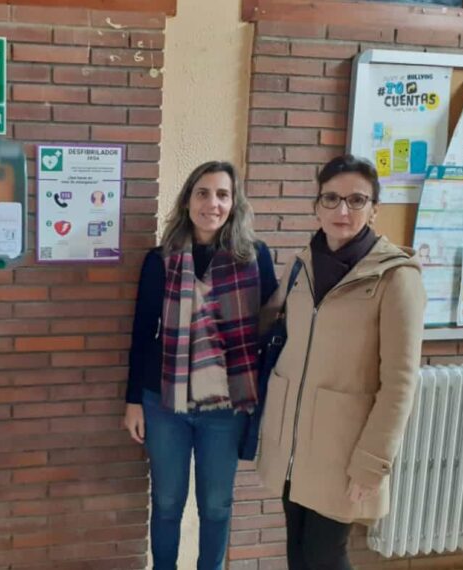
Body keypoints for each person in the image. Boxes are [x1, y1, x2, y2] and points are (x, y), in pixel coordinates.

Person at [257, 155, 425, 569]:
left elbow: (400, 382)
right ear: (317, 206)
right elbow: (276, 330)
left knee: (324, 555)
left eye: (356, 200)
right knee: (298, 550)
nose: (342, 210)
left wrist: (373, 463)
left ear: (374, 209)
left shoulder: (396, 277)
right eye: (331, 198)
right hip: (293, 443)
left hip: (344, 450)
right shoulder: (302, 265)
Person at [123, 161, 276, 570]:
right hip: (164, 402)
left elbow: (270, 327)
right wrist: (133, 401)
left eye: (223, 195)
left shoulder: (255, 257)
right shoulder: (161, 260)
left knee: (216, 504)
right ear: (188, 201)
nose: (213, 203)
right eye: (203, 193)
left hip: (226, 405)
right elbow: (142, 332)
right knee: (167, 501)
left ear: (234, 203)